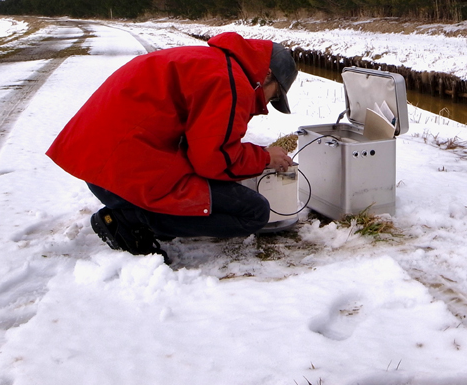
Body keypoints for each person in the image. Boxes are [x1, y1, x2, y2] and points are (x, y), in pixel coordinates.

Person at [46, 32, 298, 263]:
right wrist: (264, 158)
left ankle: (145, 214)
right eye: (275, 96)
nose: (267, 104)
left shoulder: (215, 63)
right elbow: (213, 161)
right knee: (254, 212)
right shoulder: (232, 83)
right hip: (120, 173)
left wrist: (254, 155)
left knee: (219, 189)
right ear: (266, 75)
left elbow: (204, 143)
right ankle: (128, 220)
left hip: (99, 163)